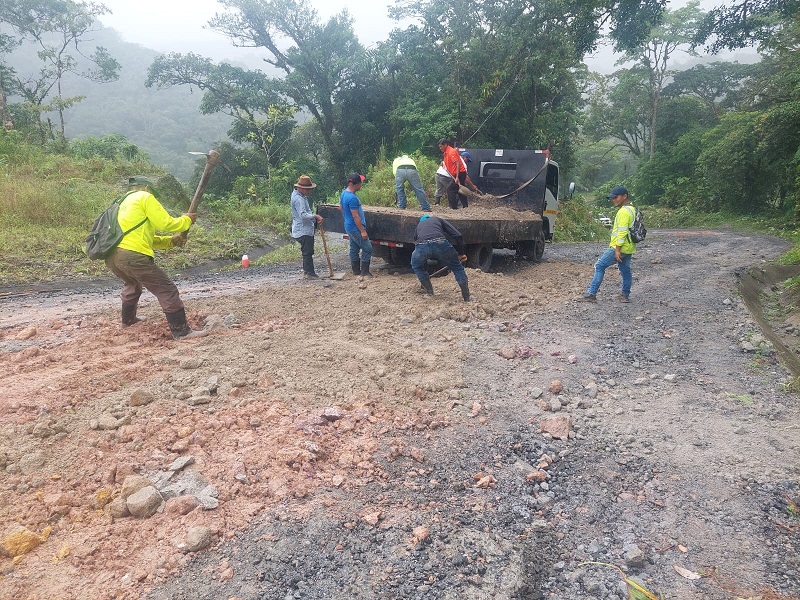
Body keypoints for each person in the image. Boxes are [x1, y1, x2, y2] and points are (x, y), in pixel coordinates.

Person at [105, 176, 206, 339]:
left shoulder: (120, 203)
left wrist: (171, 241)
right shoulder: (144, 196)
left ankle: (128, 321)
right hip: (132, 255)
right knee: (167, 289)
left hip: (111, 256)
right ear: (146, 188)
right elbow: (165, 224)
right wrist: (186, 220)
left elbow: (145, 239)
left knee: (132, 283)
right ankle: (181, 331)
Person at [578, 185, 636, 303]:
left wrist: (617, 250)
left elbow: (622, 232)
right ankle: (625, 295)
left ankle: (591, 294)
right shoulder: (632, 209)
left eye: (616, 197)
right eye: (612, 198)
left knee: (600, 266)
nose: (614, 200)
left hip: (620, 247)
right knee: (625, 270)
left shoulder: (623, 212)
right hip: (629, 247)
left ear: (625, 196)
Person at [411, 214, 472, 302]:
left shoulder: (419, 226)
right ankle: (467, 297)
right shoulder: (437, 219)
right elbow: (458, 235)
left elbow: (416, 243)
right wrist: (461, 253)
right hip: (440, 243)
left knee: (416, 265)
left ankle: (429, 292)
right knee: (457, 267)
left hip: (422, 246)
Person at [340, 172, 373, 278]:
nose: (361, 185)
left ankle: (356, 271)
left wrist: (346, 218)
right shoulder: (352, 198)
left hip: (349, 225)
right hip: (355, 227)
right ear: (357, 184)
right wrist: (362, 230)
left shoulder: (344, 193)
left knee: (354, 247)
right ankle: (365, 272)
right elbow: (356, 216)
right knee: (367, 248)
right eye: (361, 183)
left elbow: (340, 208)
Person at [290, 175, 323, 279]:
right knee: (307, 252)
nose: (309, 192)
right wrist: (315, 216)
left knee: (307, 251)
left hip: (304, 228)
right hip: (303, 230)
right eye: (308, 189)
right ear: (302, 188)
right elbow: (303, 215)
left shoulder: (298, 195)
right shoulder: (298, 199)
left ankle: (308, 272)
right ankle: (309, 273)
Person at [438, 138, 468, 209]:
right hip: (457, 173)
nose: (440, 148)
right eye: (439, 147)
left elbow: (457, 164)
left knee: (450, 189)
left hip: (460, 173)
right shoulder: (446, 153)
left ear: (445, 145)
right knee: (460, 190)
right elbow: (449, 162)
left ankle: (453, 207)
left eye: (441, 146)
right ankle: (465, 206)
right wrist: (443, 163)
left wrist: (457, 177)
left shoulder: (451, 152)